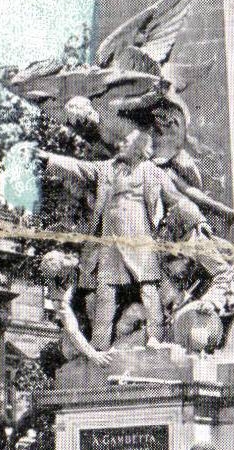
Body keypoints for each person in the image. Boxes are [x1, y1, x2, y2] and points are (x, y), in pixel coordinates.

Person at [43, 124, 204, 350]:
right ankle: (99, 346)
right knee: (105, 295)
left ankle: (155, 338)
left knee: (149, 290)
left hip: (141, 241)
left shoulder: (152, 173)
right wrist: (48, 160)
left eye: (127, 142)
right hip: (111, 244)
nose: (122, 144)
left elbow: (177, 199)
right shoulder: (107, 169)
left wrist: (199, 220)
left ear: (139, 149)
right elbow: (78, 168)